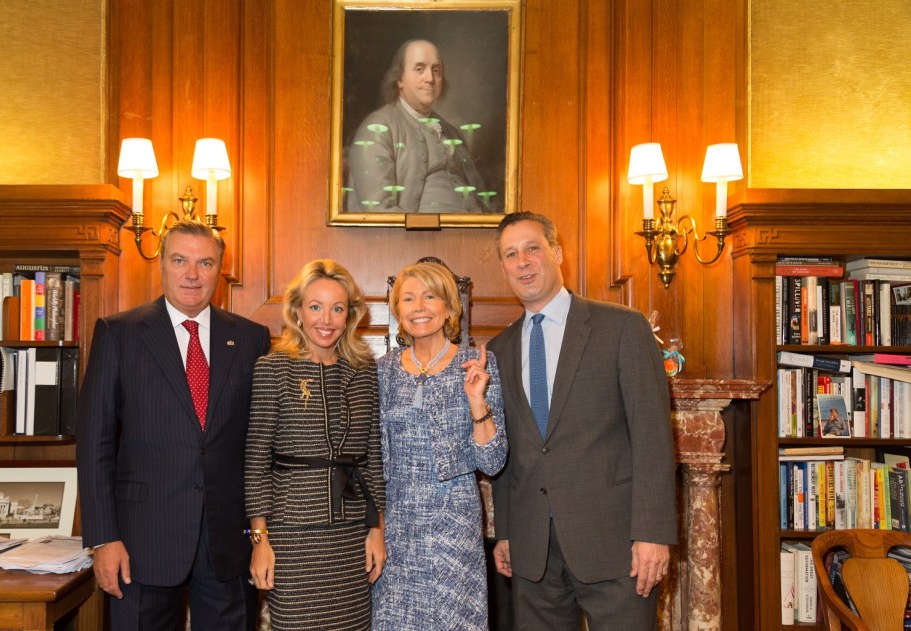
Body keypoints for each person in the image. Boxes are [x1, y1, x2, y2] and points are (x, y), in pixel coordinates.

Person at [76, 219, 271, 631]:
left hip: (228, 542)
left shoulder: (252, 338)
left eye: (205, 263)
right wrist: (103, 539)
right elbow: (95, 445)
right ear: (161, 264)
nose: (192, 274)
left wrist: (261, 536)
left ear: (220, 270)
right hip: (141, 540)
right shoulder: (119, 333)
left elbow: (261, 443)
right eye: (180, 260)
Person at [489, 211, 677, 630]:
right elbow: (507, 452)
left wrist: (653, 534)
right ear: (503, 268)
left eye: (532, 248)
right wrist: (505, 530)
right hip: (533, 551)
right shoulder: (498, 350)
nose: (523, 261)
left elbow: (652, 438)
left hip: (617, 548)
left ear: (556, 253)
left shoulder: (622, 328)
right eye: (511, 254)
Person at [245, 259, 385, 630]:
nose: (327, 319)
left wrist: (377, 530)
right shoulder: (272, 368)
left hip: (351, 537)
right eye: (316, 306)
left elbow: (371, 458)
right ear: (298, 312)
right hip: (292, 537)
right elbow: (256, 462)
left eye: (337, 308)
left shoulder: (364, 369)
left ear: (349, 315)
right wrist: (259, 541)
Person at [372, 260, 508, 630]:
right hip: (396, 526)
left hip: (454, 523)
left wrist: (477, 400)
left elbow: (493, 462)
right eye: (408, 298)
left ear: (449, 307)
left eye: (430, 296)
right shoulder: (381, 371)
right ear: (397, 311)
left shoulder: (477, 363)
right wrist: (376, 527)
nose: (419, 307)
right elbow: (371, 459)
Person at [347, 39, 495, 214]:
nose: (430, 79)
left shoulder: (451, 132)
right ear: (399, 78)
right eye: (419, 69)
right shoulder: (378, 128)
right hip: (416, 239)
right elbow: (377, 209)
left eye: (436, 70)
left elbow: (483, 198)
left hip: (474, 236)